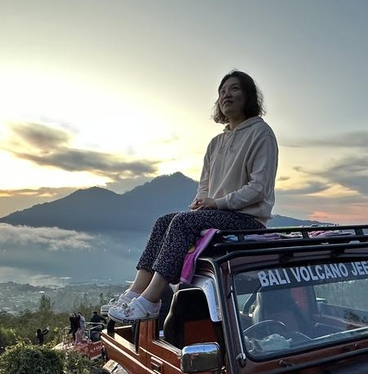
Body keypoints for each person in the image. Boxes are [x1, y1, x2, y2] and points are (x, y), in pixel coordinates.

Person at [108, 70, 278, 324]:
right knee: (164, 221)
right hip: (216, 214)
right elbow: (205, 184)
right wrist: (201, 202)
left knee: (182, 222)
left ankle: (151, 300)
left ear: (249, 96)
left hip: (247, 219)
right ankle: (135, 291)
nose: (226, 95)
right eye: (222, 92)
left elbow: (259, 188)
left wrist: (217, 203)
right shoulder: (215, 143)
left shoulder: (261, 134)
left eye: (234, 89)